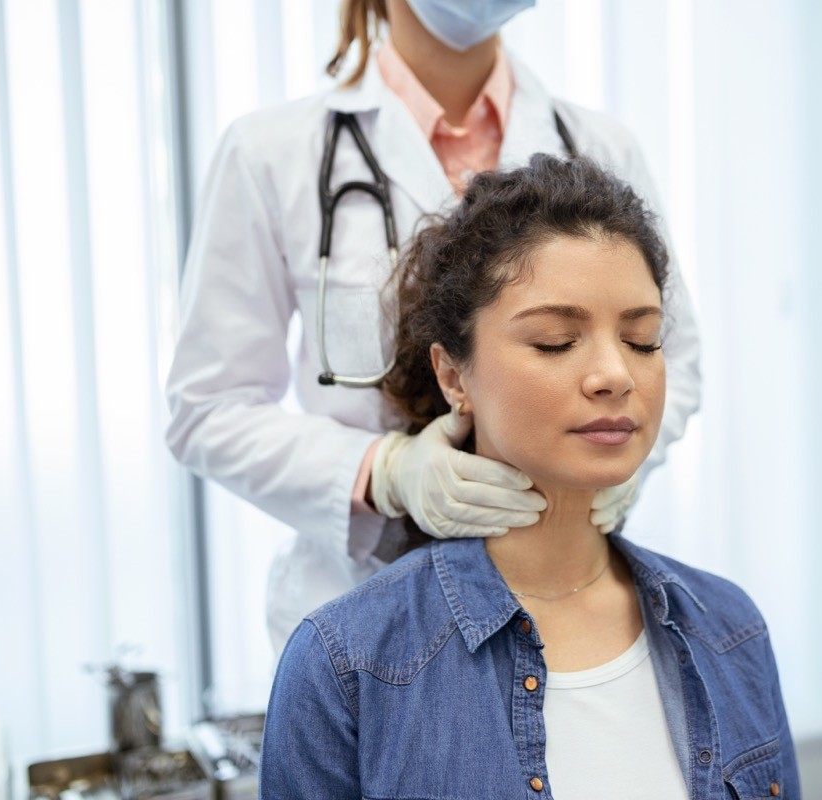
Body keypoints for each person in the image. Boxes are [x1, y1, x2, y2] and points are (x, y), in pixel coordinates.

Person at [164, 0, 701, 654]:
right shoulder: (271, 154)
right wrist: (384, 471)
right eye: (556, 342)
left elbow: (677, 355)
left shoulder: (598, 147)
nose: (612, 368)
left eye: (630, 344)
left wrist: (618, 471)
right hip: (363, 606)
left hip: (562, 603)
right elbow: (208, 408)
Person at [258, 155, 799, 799]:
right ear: (455, 376)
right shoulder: (347, 667)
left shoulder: (730, 628)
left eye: (643, 340)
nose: (615, 375)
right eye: (554, 342)